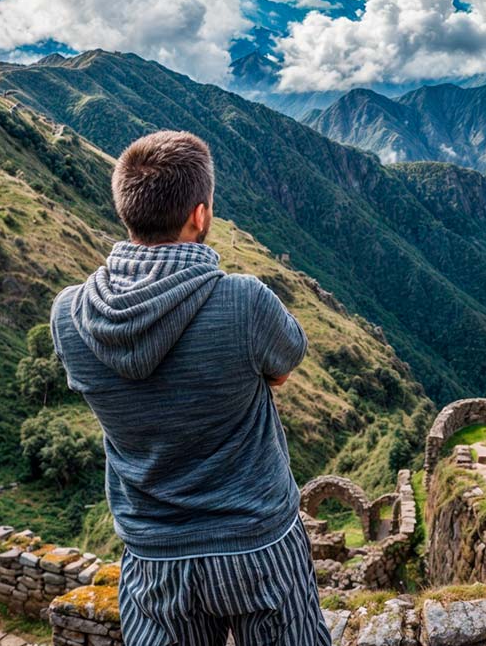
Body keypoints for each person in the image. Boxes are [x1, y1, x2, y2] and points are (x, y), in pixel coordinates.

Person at [50, 130, 330, 646]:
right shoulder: (244, 302)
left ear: (126, 211)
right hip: (258, 543)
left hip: (154, 555)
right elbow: (282, 370)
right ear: (199, 215)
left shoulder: (69, 315)